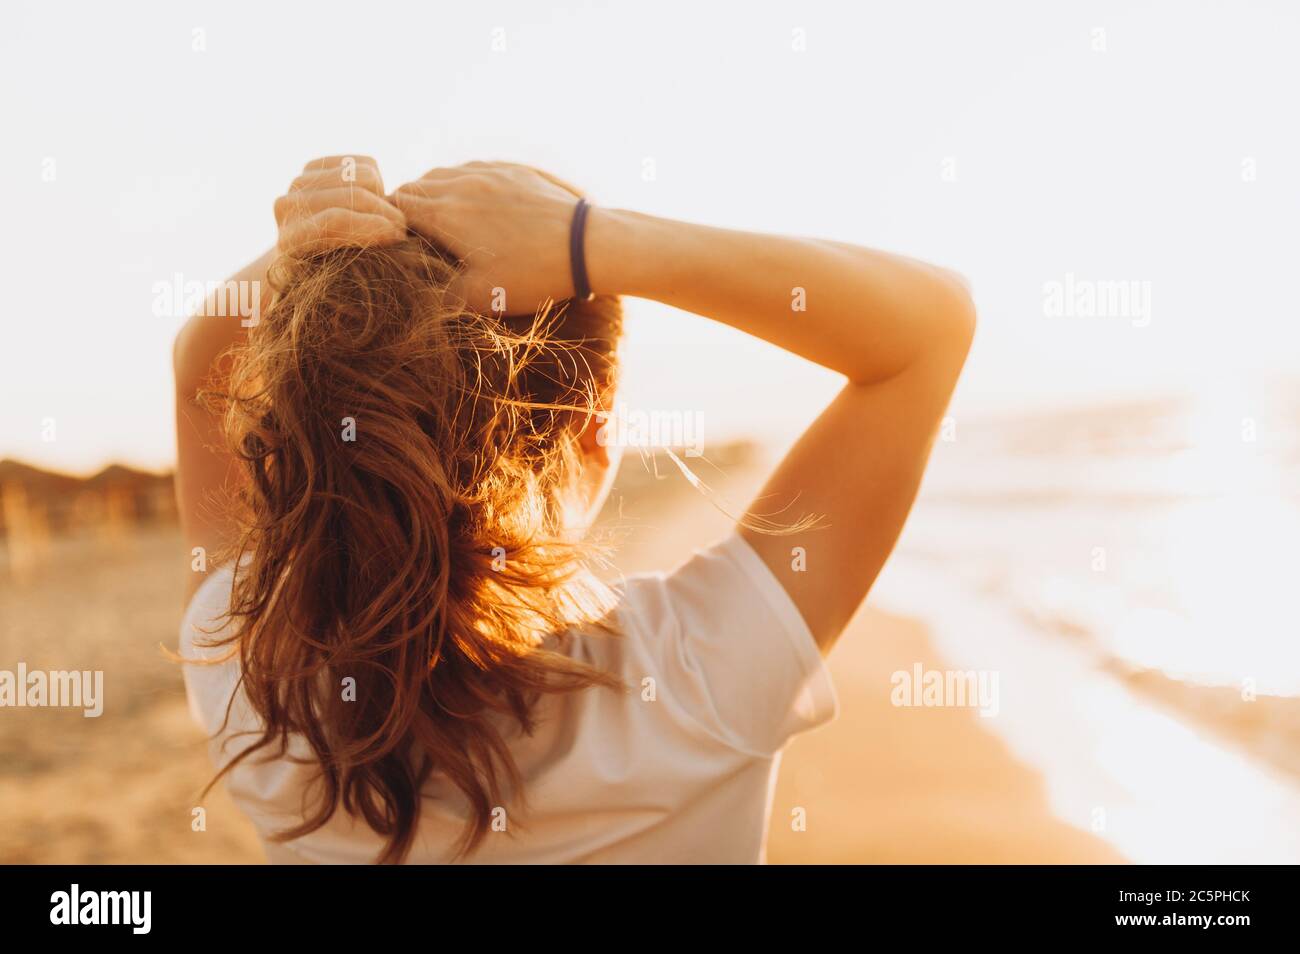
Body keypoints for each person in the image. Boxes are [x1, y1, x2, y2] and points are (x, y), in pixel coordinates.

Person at [173, 156, 975, 863]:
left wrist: (311, 256)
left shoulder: (253, 689)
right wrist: (595, 241)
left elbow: (194, 377)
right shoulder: (698, 678)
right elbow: (931, 324)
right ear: (598, 425)